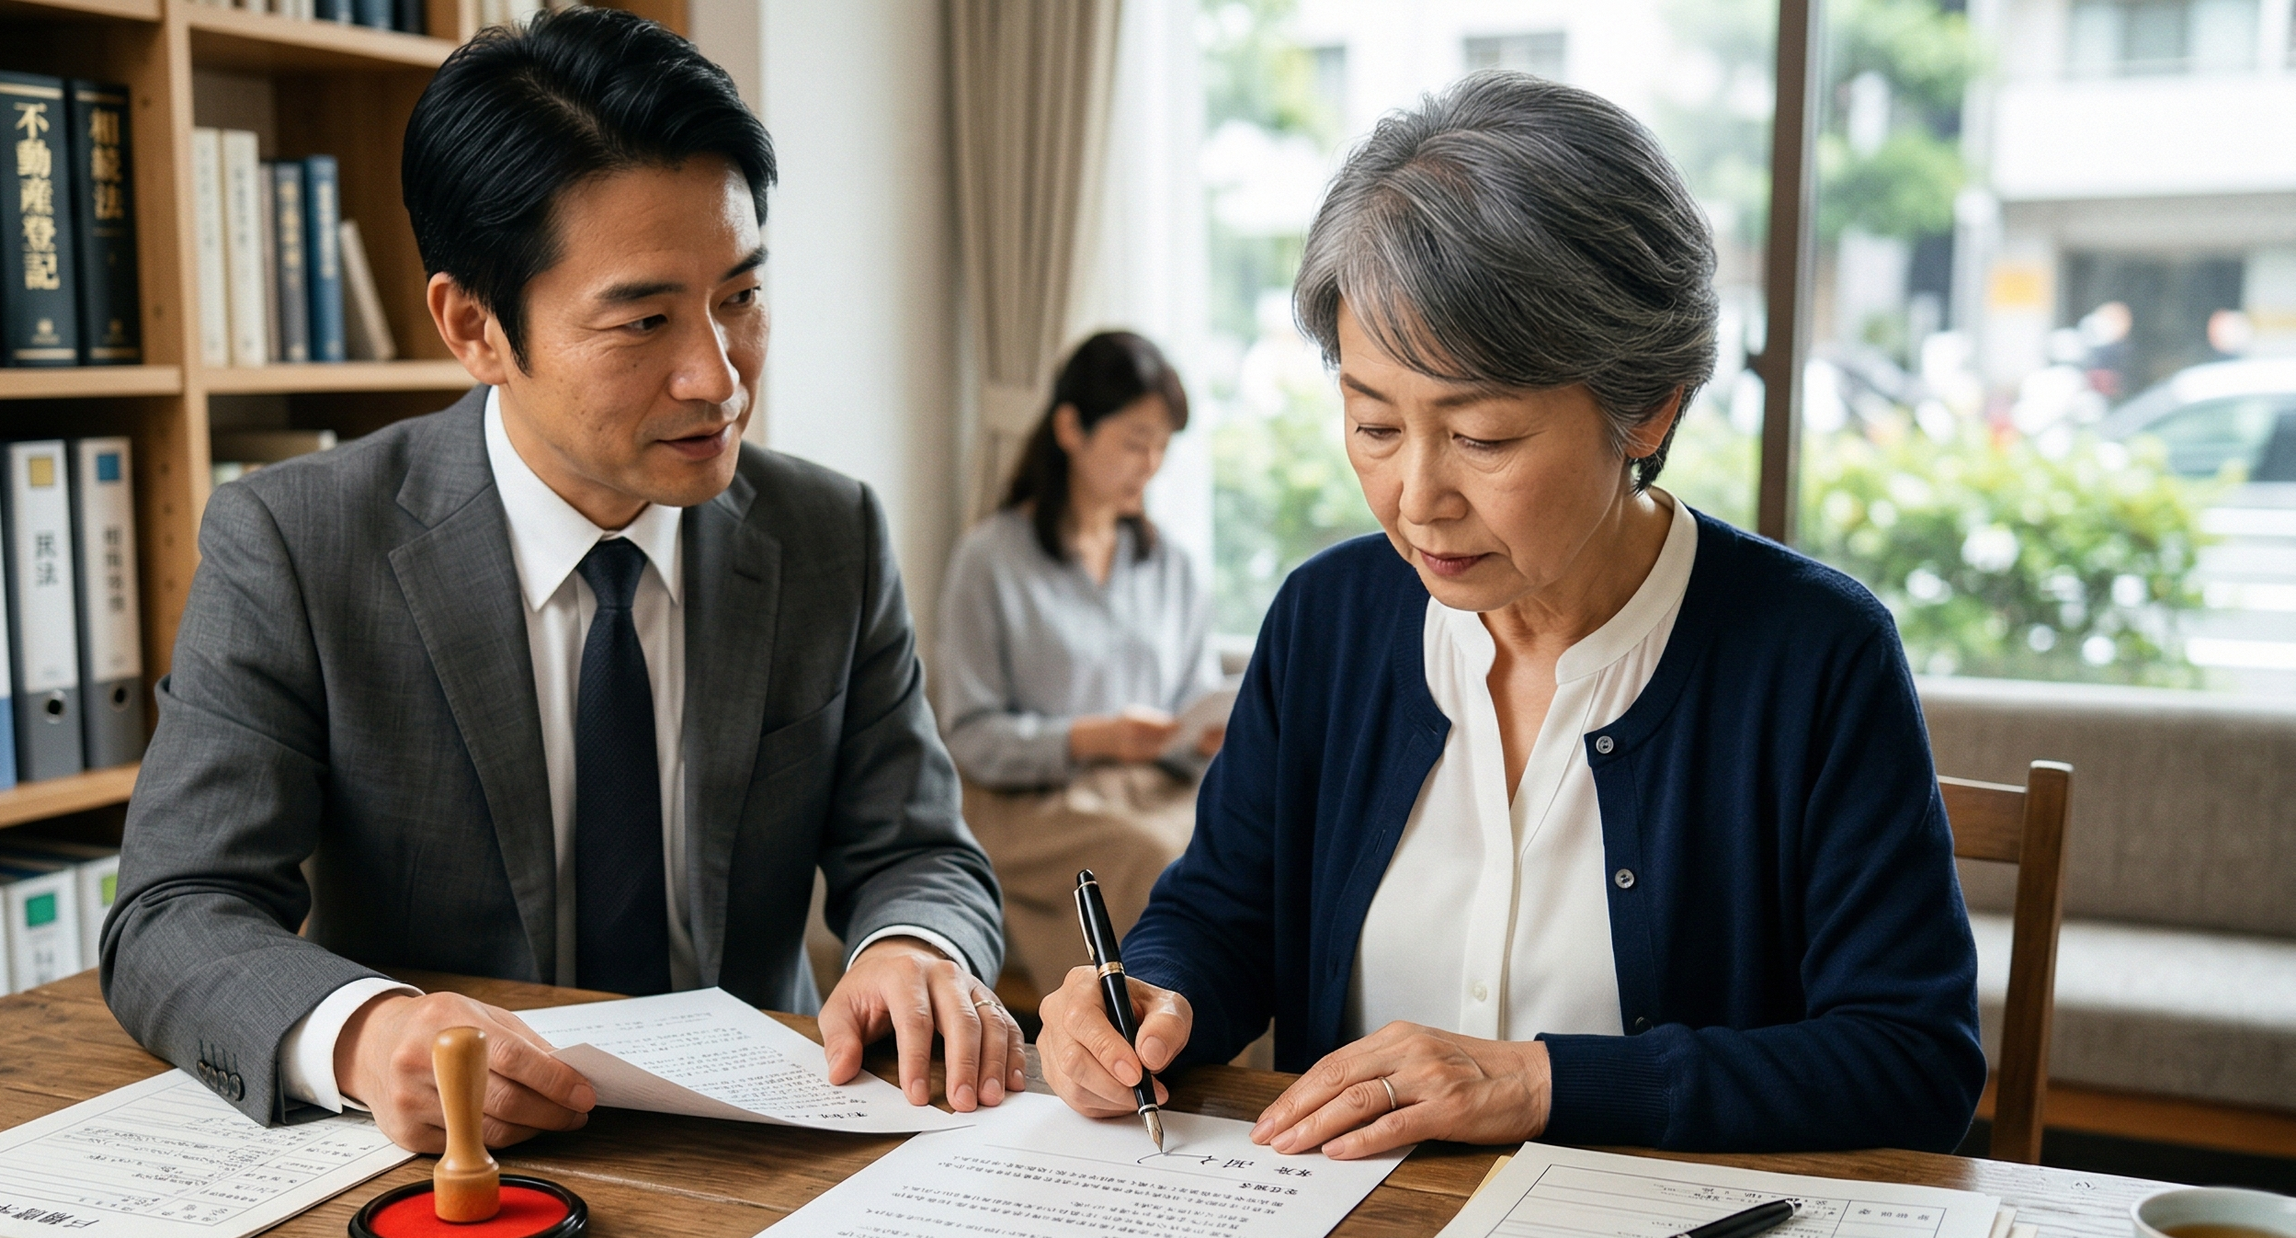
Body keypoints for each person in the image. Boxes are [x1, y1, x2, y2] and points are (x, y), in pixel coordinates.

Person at [101, 10, 1019, 1151]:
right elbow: (171, 912)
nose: (717, 376)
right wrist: (363, 1033)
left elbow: (919, 851)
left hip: (763, 1149)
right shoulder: (297, 543)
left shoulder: (827, 530)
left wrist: (911, 949)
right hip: (455, 1172)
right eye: (644, 320)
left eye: (739, 296)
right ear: (475, 327)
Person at [1036, 72, 1985, 1159]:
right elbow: (1221, 916)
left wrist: (1538, 1082)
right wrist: (1148, 998)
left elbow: (1912, 1062)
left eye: (1481, 436)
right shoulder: (1326, 620)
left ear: (1647, 406)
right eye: (1372, 423)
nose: (1416, 497)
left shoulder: (1814, 655)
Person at [934, 332, 1219, 992]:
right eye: (1134, 440)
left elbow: (1193, 700)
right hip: (1029, 805)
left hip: (1153, 788)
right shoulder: (990, 559)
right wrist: (1095, 737)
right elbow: (972, 736)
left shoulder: (1170, 565)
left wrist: (1202, 736)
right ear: (1070, 428)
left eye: (1161, 446)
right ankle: (1151, 1056)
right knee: (1153, 858)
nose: (1149, 463)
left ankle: (1256, 1078)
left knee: (1243, 857)